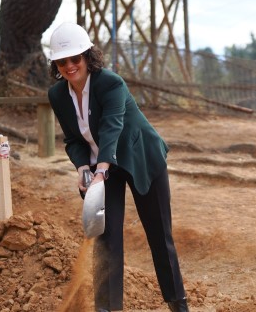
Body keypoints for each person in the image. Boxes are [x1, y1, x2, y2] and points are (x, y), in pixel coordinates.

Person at [47, 22, 189, 312]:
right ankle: (108, 308)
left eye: (76, 58)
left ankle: (178, 304)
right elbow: (73, 140)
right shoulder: (58, 95)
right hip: (101, 167)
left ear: (88, 56)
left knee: (159, 235)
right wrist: (82, 170)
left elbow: (112, 127)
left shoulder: (110, 83)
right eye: (63, 61)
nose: (70, 66)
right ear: (56, 64)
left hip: (140, 157)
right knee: (105, 236)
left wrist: (100, 171)